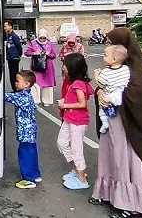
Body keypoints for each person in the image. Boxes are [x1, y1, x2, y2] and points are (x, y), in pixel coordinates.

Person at [89, 28, 142, 218]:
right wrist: (100, 93)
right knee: (110, 155)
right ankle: (108, 194)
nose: (108, 47)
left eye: (110, 44)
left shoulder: (134, 70)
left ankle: (134, 205)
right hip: (113, 120)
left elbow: (134, 97)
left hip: (130, 128)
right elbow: (104, 86)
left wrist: (109, 97)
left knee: (126, 159)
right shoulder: (116, 68)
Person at [57, 52, 94, 190]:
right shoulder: (73, 82)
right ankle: (77, 170)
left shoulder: (78, 84)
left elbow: (82, 103)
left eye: (65, 65)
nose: (63, 68)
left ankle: (82, 179)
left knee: (76, 149)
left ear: (72, 67)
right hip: (69, 118)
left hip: (78, 121)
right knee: (62, 143)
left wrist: (64, 105)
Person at [5, 70, 42, 189]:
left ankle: (28, 179)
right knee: (31, 152)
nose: (15, 83)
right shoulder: (26, 95)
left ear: (27, 84)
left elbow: (7, 97)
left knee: (24, 153)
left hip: (25, 131)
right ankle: (35, 174)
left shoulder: (22, 97)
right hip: (30, 130)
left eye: (17, 81)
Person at [94, 45, 130, 134]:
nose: (103, 57)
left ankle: (105, 123)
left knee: (102, 109)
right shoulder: (126, 69)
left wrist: (96, 74)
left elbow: (101, 84)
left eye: (105, 55)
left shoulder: (106, 72)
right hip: (119, 95)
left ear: (114, 59)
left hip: (108, 95)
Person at [24, 29, 57, 106]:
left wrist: (49, 54)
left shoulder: (50, 44)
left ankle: (47, 101)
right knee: (35, 83)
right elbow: (27, 53)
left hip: (48, 66)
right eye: (41, 38)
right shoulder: (33, 43)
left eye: (44, 38)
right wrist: (35, 53)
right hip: (36, 66)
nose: (42, 40)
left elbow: (54, 55)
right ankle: (35, 100)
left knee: (48, 83)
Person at [59, 33, 87, 116]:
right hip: (68, 70)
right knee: (66, 88)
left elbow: (82, 57)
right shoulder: (64, 46)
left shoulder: (80, 46)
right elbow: (61, 55)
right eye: (69, 42)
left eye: (72, 42)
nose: (71, 44)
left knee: (75, 91)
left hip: (76, 70)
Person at [4, 21, 23, 92]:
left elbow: (19, 47)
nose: (4, 28)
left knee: (14, 75)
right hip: (10, 58)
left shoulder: (14, 36)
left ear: (10, 27)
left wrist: (19, 55)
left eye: (6, 26)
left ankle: (16, 89)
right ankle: (14, 89)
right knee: (11, 74)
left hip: (14, 58)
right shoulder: (8, 35)